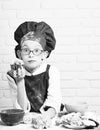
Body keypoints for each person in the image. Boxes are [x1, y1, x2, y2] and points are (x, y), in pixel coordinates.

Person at [7, 21, 62, 126]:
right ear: (19, 53)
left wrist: (45, 117)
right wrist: (20, 81)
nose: (31, 55)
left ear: (44, 54)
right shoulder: (12, 75)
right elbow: (21, 110)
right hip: (24, 122)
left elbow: (54, 102)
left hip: (48, 118)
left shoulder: (51, 71)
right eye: (26, 50)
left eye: (36, 50)